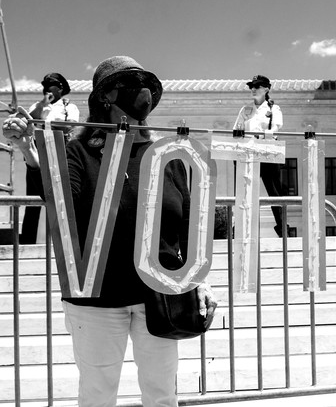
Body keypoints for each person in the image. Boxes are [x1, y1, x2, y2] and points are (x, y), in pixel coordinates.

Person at [2, 55, 217, 406]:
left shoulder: (169, 156)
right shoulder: (78, 154)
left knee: (162, 394)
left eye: (144, 84)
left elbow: (189, 225)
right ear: (107, 97)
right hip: (97, 299)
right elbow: (60, 197)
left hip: (161, 297)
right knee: (98, 394)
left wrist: (199, 279)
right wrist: (28, 148)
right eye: (131, 83)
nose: (142, 92)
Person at [20, 72, 81, 244]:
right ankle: (29, 241)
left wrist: (45, 125)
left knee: (60, 198)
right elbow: (28, 120)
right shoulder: (39, 106)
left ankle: (60, 241)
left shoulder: (69, 106)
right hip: (37, 154)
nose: (47, 88)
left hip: (59, 154)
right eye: (45, 85)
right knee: (33, 196)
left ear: (61, 88)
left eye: (51, 85)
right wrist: (42, 105)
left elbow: (69, 126)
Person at [234, 74, 292, 238]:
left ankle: (282, 226)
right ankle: (240, 227)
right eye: (252, 86)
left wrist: (264, 134)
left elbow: (275, 129)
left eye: (257, 86)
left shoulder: (274, 109)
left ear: (266, 89)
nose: (253, 89)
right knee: (245, 191)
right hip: (249, 152)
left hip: (267, 151)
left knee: (274, 191)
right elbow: (237, 129)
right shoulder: (245, 110)